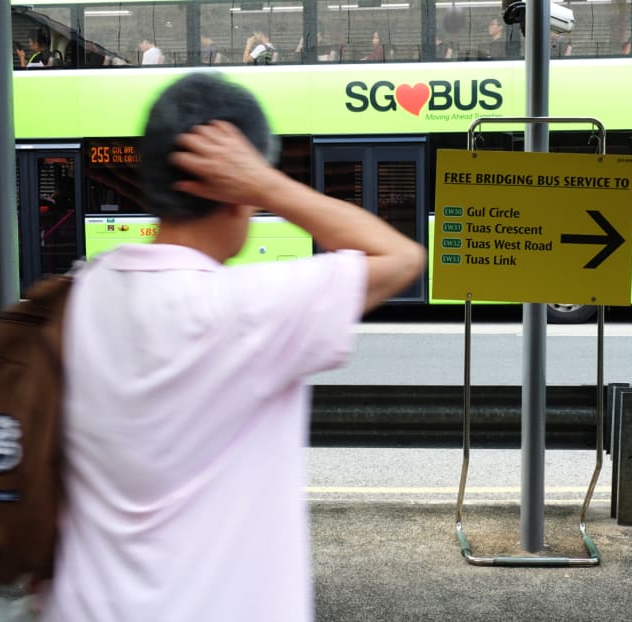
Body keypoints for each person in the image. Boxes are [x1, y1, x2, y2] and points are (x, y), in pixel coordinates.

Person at [39, 73, 426, 621]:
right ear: (234, 187)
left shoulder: (80, 293)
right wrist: (267, 184)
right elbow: (402, 258)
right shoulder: (244, 310)